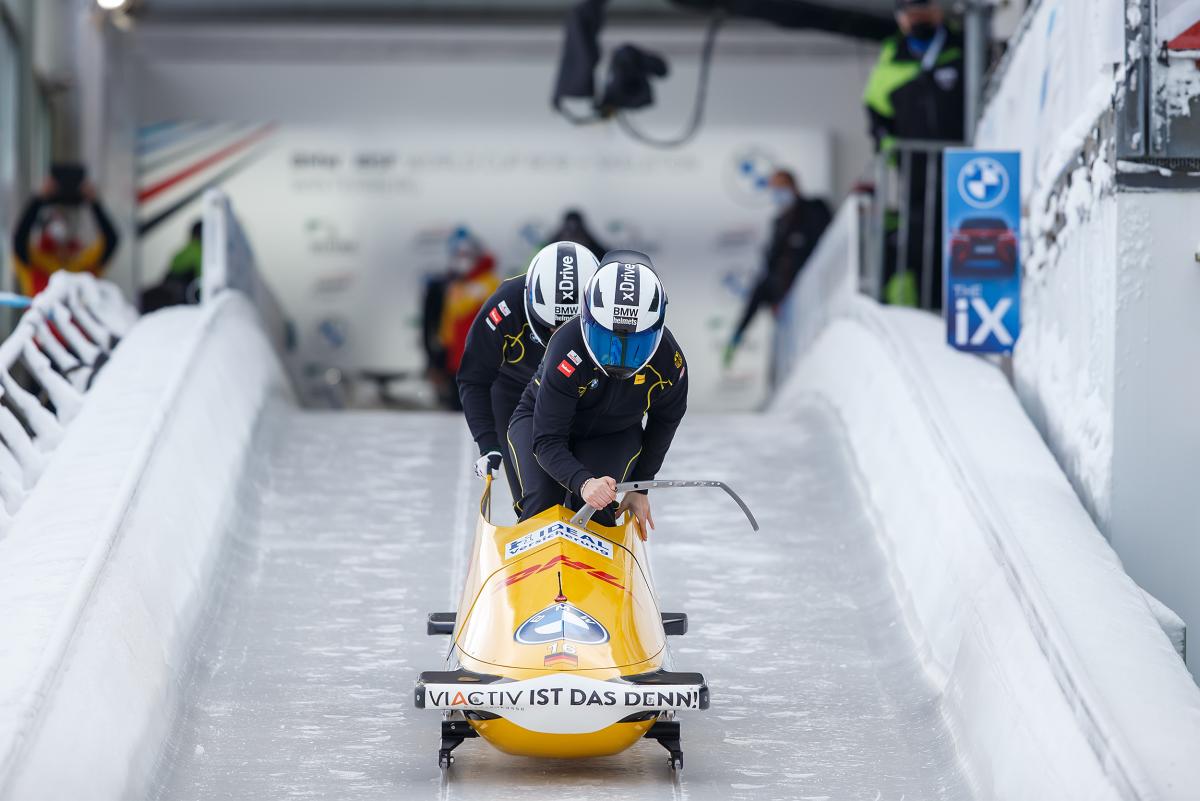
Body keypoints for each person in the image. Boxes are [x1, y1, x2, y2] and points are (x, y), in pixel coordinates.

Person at [507, 252, 687, 530]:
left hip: (613, 433)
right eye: (607, 338)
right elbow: (547, 440)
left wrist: (641, 488)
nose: (619, 356)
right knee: (543, 502)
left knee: (597, 508)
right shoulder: (566, 347)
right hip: (540, 423)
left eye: (636, 342)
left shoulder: (669, 363)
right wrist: (583, 482)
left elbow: (665, 421)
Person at [458, 241, 600, 505]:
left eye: (569, 327)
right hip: (519, 397)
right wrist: (488, 444)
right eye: (550, 327)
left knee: (589, 493)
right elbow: (473, 377)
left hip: (582, 395)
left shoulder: (608, 307)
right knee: (536, 495)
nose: (560, 337)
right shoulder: (504, 308)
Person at [863, 0, 964, 309]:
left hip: (968, 167)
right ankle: (932, 309)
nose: (917, 18)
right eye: (911, 13)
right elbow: (877, 115)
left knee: (967, 233)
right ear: (901, 19)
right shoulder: (890, 61)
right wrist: (889, 149)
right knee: (925, 240)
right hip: (917, 175)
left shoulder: (965, 50)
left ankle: (966, 305)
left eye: (923, 10)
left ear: (937, 11)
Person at [724, 169, 831, 366]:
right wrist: (740, 330)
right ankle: (737, 336)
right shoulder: (778, 223)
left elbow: (821, 246)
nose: (777, 193)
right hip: (789, 306)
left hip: (817, 295)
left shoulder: (815, 210)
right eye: (774, 189)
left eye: (781, 187)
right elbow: (767, 274)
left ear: (794, 187)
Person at [11, 175, 119, 296]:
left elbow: (111, 240)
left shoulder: (85, 261)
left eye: (63, 220)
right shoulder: (34, 261)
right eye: (53, 221)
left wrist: (94, 202)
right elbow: (20, 237)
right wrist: (38, 199)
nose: (59, 227)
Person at [436, 229, 500, 409]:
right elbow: (450, 318)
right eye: (458, 255)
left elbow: (463, 307)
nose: (462, 261)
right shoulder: (457, 283)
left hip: (481, 357)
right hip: (457, 356)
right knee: (457, 404)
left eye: (467, 255)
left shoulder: (489, 282)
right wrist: (444, 344)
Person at [141, 219, 202, 312]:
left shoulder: (190, 250)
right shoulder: (201, 251)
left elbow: (173, 266)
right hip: (182, 295)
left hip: (173, 293)